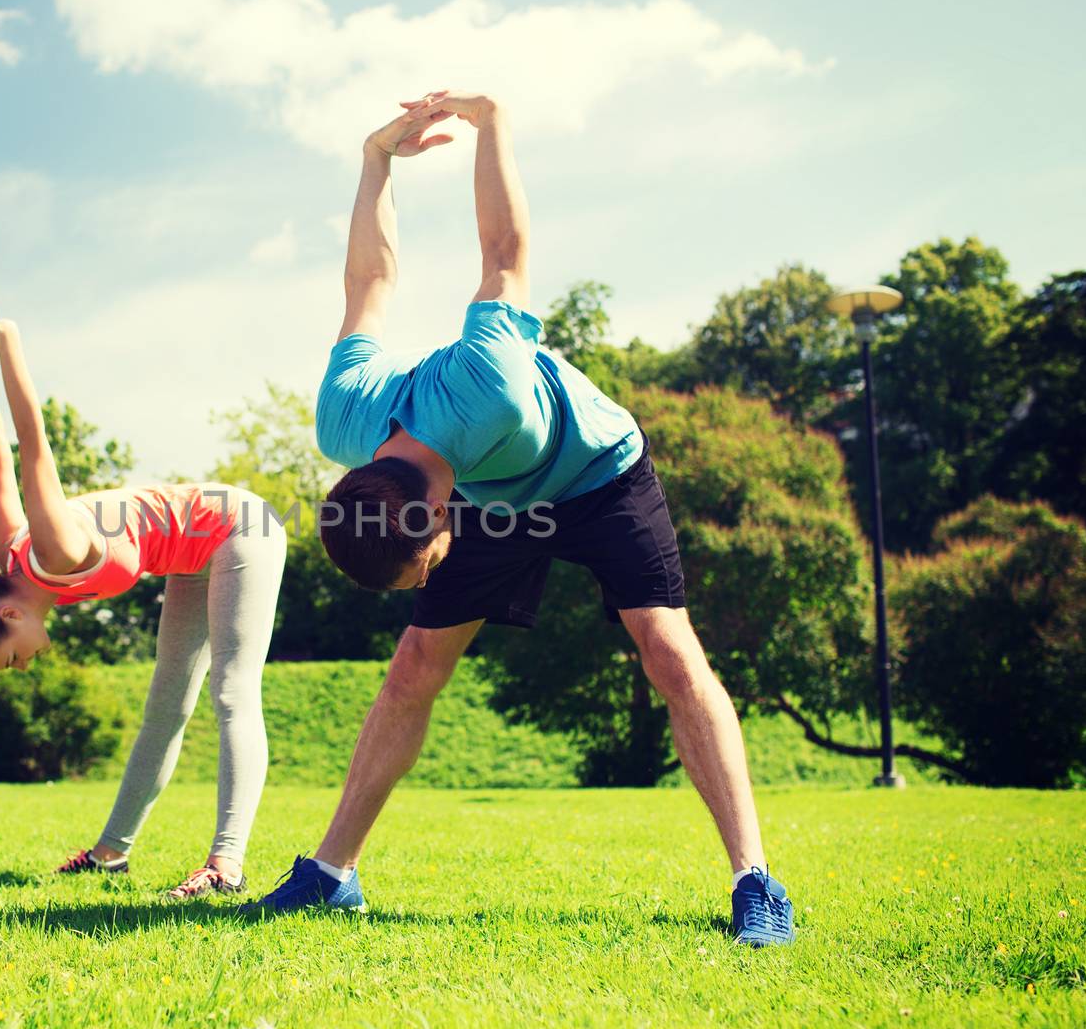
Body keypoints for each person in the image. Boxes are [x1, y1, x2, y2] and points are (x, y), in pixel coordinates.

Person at [246, 92, 795, 946]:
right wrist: (373, 160)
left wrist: (492, 119)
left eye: (422, 565)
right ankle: (329, 874)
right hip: (494, 498)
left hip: (598, 473)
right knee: (413, 664)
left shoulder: (487, 383)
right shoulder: (346, 419)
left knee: (668, 651)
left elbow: (503, 251)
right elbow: (370, 282)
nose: (427, 575)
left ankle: (756, 882)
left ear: (433, 517)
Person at [0, 309, 286, 900]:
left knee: (231, 691)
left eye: (11, 660)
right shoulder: (11, 555)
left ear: (8, 616)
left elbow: (29, 448)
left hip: (237, 527)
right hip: (191, 557)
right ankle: (110, 856)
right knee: (164, 708)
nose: (24, 666)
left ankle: (226, 866)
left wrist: (10, 343)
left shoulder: (54, 548)